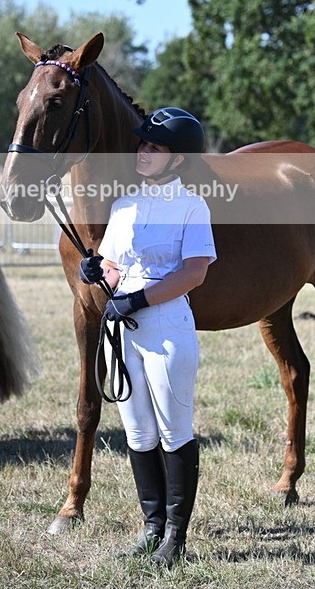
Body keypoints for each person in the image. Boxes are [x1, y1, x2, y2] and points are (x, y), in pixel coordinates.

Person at [79, 107, 217, 568]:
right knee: (138, 432)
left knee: (174, 430)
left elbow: (194, 272)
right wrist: (98, 270)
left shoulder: (192, 206)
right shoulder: (124, 205)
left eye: (154, 147)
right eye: (143, 144)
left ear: (177, 160)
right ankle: (151, 527)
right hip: (124, 329)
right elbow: (115, 268)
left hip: (167, 328)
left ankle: (176, 537)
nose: (143, 151)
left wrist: (140, 300)